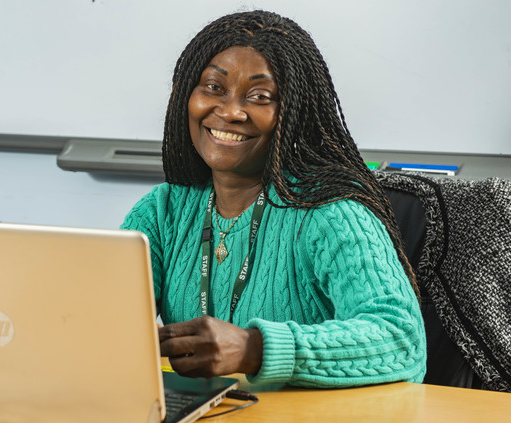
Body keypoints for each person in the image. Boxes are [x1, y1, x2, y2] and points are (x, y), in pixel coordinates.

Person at [120, 10, 426, 388]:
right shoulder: (163, 211)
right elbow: (105, 322)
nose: (231, 111)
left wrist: (256, 348)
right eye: (214, 88)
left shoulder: (333, 215)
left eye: (259, 97)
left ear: (293, 115)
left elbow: (401, 339)